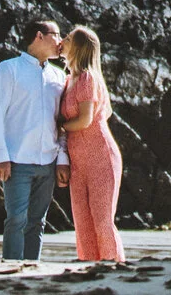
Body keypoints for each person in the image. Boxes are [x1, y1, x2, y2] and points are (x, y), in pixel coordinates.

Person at [0, 15, 69, 267]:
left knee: (38, 221)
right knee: (16, 219)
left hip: (48, 161)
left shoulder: (59, 76)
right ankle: (11, 267)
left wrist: (62, 160)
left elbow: (63, 124)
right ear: (39, 36)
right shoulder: (8, 69)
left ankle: (32, 270)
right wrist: (1, 156)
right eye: (56, 35)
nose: (61, 41)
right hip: (16, 160)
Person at [58, 25, 125, 266]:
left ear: (78, 47)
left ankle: (114, 266)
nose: (62, 41)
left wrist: (59, 127)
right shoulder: (68, 80)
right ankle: (89, 268)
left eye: (67, 38)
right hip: (79, 161)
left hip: (100, 156)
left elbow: (85, 120)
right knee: (82, 221)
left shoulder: (87, 78)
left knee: (102, 219)